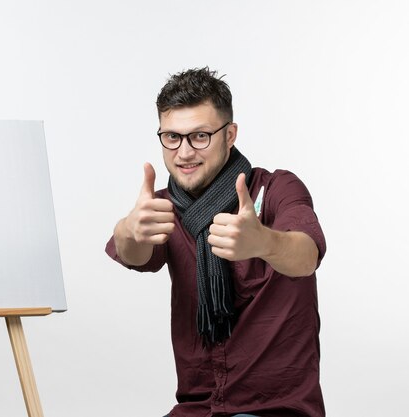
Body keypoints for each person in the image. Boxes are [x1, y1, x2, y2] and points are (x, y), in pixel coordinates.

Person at [105, 67, 326, 417]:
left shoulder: (276, 190)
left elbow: (306, 255)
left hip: (275, 409)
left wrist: (263, 242)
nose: (184, 152)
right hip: (196, 408)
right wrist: (126, 230)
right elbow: (136, 254)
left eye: (200, 136)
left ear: (230, 134)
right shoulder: (162, 207)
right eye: (172, 137)